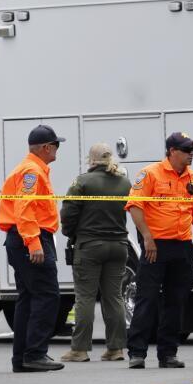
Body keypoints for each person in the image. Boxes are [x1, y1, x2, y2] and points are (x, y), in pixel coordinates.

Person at [125, 132, 193, 369]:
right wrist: (147, 239)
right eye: (186, 150)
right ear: (172, 151)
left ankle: (168, 353)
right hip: (156, 246)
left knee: (176, 301)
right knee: (147, 299)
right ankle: (137, 353)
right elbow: (135, 207)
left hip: (183, 247)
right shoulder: (150, 174)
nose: (191, 154)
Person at [0, 125, 66, 372]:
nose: (58, 149)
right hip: (30, 238)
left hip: (24, 238)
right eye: (56, 145)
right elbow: (24, 208)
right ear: (47, 147)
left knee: (28, 298)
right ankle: (35, 353)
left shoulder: (33, 170)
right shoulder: (32, 172)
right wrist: (34, 242)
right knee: (47, 295)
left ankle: (23, 358)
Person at [59, 143, 131, 363]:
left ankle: (80, 350)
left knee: (85, 298)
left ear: (92, 160)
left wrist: (70, 234)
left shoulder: (82, 182)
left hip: (90, 246)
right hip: (119, 245)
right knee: (114, 297)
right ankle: (116, 348)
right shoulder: (124, 183)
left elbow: (69, 213)